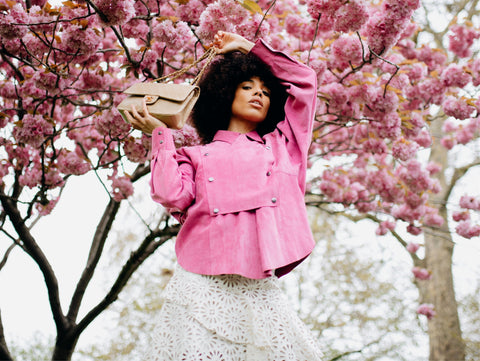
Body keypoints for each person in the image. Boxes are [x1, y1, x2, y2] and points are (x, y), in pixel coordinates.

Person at [124, 31, 323, 361]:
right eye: (247, 86)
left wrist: (248, 47)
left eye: (264, 90)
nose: (258, 94)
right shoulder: (195, 156)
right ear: (226, 92)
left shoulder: (284, 145)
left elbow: (304, 81)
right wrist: (159, 134)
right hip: (201, 284)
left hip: (260, 287)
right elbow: (170, 194)